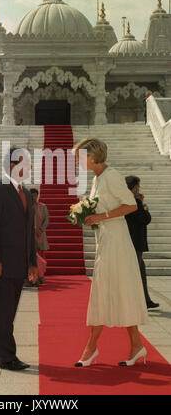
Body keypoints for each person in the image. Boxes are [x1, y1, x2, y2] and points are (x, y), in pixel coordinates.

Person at [73, 138, 148, 367]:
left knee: (107, 290)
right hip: (106, 239)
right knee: (113, 290)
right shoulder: (98, 178)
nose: (77, 161)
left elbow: (131, 205)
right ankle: (136, 345)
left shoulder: (112, 175)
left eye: (79, 157)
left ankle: (91, 347)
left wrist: (101, 217)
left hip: (117, 242)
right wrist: (88, 215)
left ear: (92, 156)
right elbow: (104, 207)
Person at [0, 148, 38, 371]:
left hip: (18, 264)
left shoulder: (23, 192)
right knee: (3, 312)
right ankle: (7, 358)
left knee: (5, 312)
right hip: (1, 264)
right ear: (13, 165)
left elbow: (28, 232)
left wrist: (32, 262)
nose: (30, 168)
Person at [125, 176, 159, 309]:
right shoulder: (135, 202)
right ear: (134, 187)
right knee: (135, 273)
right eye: (138, 186)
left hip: (130, 240)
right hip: (136, 242)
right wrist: (145, 208)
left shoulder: (125, 199)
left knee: (141, 271)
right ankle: (133, 302)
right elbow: (145, 219)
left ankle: (146, 300)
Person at [30, 188, 49, 284]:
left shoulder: (43, 206)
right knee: (32, 257)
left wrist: (41, 229)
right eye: (31, 195)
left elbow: (46, 220)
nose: (33, 197)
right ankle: (34, 277)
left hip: (41, 235)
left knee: (41, 257)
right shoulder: (26, 207)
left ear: (37, 196)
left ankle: (41, 275)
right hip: (30, 235)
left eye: (35, 195)